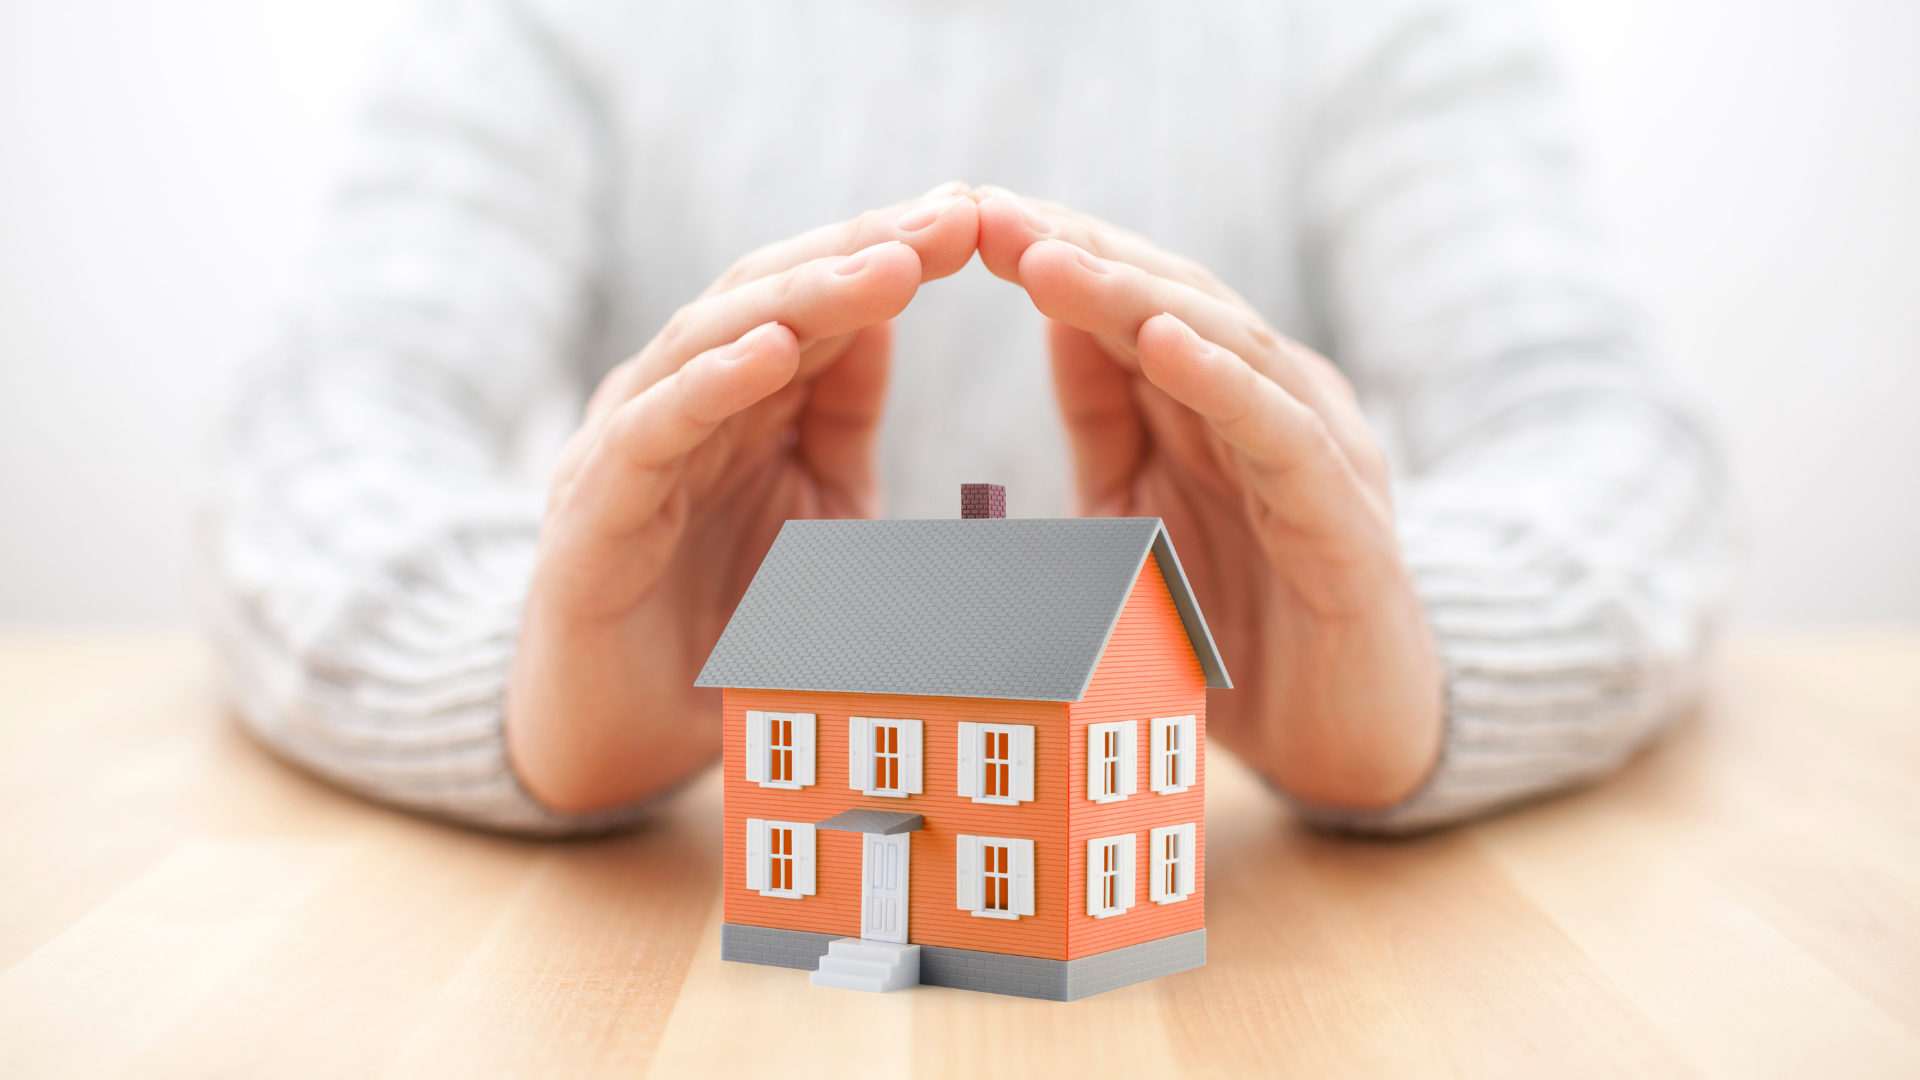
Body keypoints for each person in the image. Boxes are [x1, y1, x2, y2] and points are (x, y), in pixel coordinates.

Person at [196, 0, 1733, 837]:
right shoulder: (551, 27)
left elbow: (1598, 424)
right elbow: (325, 417)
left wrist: (1426, 659)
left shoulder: (1374, 29)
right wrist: (520, 672)